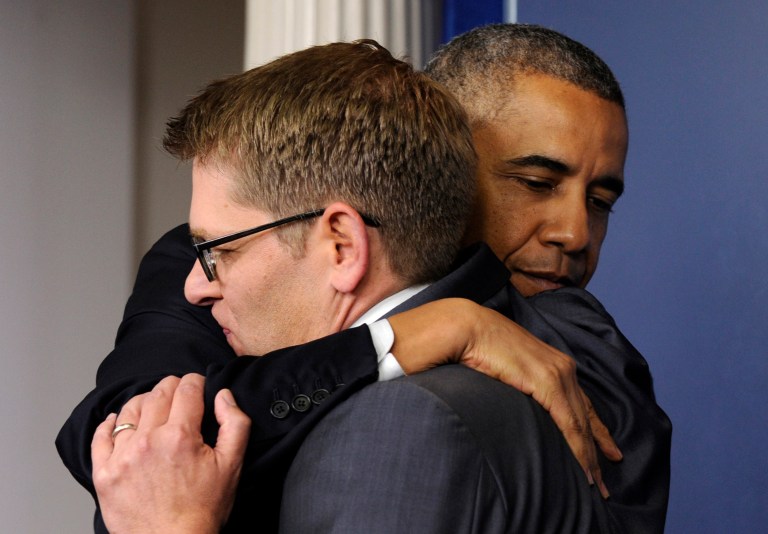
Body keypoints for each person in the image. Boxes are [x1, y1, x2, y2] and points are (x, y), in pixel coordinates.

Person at [88, 30, 668, 532]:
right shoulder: (218, 260)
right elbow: (120, 436)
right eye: (536, 182)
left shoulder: (571, 354)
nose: (575, 232)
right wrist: (398, 339)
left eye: (599, 201)